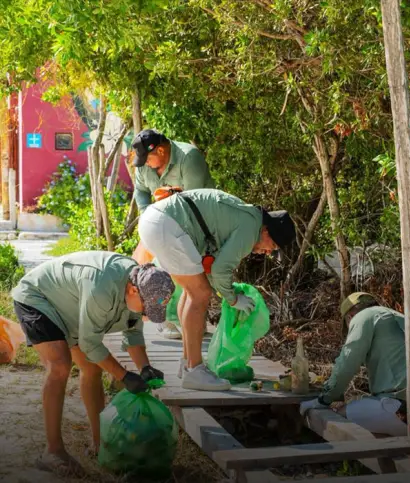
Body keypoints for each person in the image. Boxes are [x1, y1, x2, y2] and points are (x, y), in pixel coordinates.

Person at [10, 252, 175, 476]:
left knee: (91, 368)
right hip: (39, 298)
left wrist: (145, 368)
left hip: (72, 308)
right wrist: (124, 377)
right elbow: (90, 344)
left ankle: (100, 445)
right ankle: (53, 451)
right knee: (60, 366)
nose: (146, 316)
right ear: (133, 290)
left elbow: (133, 335)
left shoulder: (141, 281)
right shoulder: (102, 287)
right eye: (146, 310)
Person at [137, 188, 296, 391]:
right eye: (271, 246)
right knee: (200, 293)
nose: (266, 253)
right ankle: (195, 370)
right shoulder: (250, 228)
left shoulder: (248, 218)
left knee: (190, 291)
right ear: (266, 231)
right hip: (166, 225)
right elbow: (221, 270)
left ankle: (187, 363)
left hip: (156, 222)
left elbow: (214, 267)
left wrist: (228, 291)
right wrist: (233, 299)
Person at [131, 128, 215, 340]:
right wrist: (145, 214)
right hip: (161, 222)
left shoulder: (189, 158)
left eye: (147, 159)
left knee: (189, 267)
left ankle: (191, 321)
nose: (145, 164)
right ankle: (163, 318)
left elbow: (194, 202)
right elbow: (140, 191)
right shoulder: (144, 166)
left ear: (160, 150)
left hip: (197, 221)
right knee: (150, 266)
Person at [298, 293, 407, 436]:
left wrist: (324, 399)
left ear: (350, 316)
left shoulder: (364, 317)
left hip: (399, 407)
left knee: (340, 416)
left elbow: (347, 363)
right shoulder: (396, 316)